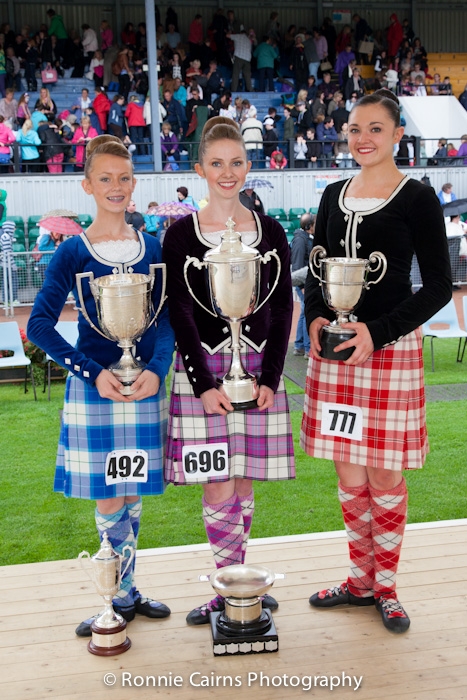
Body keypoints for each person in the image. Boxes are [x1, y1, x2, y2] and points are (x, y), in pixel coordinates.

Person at [301, 89, 451, 634]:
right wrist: (316, 318)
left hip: (388, 351)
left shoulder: (418, 198)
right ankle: (359, 581)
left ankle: (385, 586)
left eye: (375, 129)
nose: (362, 138)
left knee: (384, 472)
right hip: (336, 354)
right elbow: (316, 270)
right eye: (354, 129)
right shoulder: (332, 194)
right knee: (347, 469)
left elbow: (438, 286)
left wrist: (378, 332)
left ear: (397, 135)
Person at [27, 134, 174, 639]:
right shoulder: (72, 251)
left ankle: (127, 591)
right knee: (110, 496)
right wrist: (91, 371)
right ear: (87, 185)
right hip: (97, 390)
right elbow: (39, 326)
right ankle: (114, 598)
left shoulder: (152, 247)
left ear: (135, 183)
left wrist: (158, 367)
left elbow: (165, 320)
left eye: (125, 177)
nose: (117, 186)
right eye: (106, 178)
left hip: (145, 384)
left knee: (132, 491)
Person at [162, 116, 295, 626]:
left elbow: (282, 308)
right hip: (203, 372)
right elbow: (180, 312)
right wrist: (202, 385)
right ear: (199, 169)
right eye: (216, 163)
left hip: (258, 367)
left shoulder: (271, 231)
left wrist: (272, 377)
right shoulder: (180, 235)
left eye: (236, 162)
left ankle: (241, 585)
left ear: (248, 165)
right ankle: (229, 591)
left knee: (243, 482)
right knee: (216, 483)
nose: (227, 172)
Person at [291, 213, 314, 356]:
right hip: (303, 283)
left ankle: (299, 346)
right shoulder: (300, 240)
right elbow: (297, 266)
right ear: (309, 226)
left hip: (305, 282)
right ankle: (307, 349)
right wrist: (302, 286)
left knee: (303, 313)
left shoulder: (305, 238)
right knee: (307, 313)